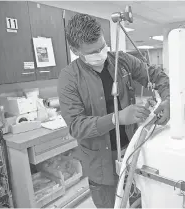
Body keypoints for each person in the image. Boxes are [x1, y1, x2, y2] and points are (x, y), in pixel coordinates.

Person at [57, 14, 170, 208]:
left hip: (133, 154)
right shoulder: (69, 78)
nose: (101, 53)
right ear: (75, 50)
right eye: (93, 52)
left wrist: (168, 100)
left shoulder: (122, 61)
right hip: (100, 165)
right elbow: (76, 126)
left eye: (102, 46)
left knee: (139, 203)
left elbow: (157, 76)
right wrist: (117, 118)